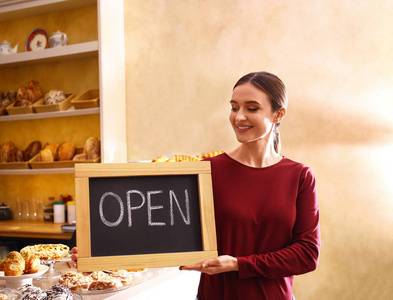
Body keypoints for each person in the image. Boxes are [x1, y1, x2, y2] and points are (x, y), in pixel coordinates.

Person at [179, 71, 321, 300]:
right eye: (234, 107)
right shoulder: (207, 170)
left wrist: (239, 264)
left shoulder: (299, 176)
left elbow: (307, 255)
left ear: (278, 114)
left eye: (252, 108)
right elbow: (181, 233)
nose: (239, 117)